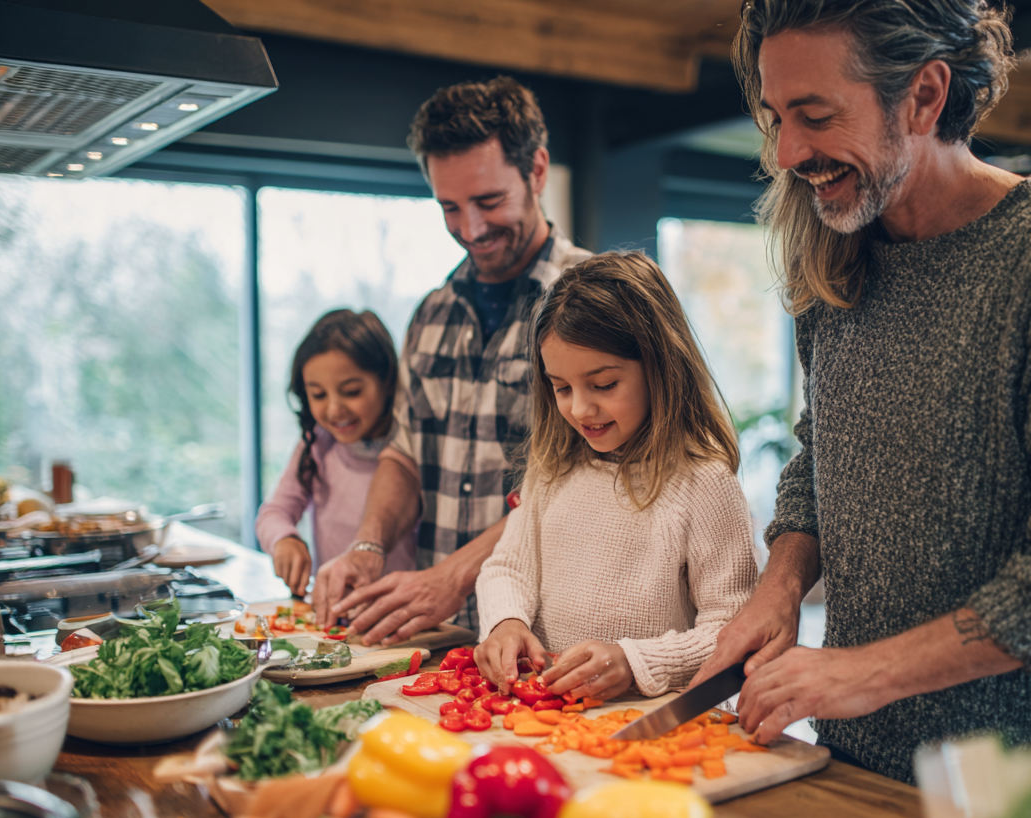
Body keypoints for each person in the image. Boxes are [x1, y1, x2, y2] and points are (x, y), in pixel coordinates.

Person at [691, 0, 1031, 782]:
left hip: (1030, 792)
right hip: (855, 765)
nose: (786, 152)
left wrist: (863, 671)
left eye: (815, 115)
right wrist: (780, 586)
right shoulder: (837, 250)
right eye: (777, 118)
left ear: (923, 96)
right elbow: (824, 455)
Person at [312, 77, 590, 642]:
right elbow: (406, 452)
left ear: (537, 171)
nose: (471, 229)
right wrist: (368, 546)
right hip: (445, 633)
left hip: (554, 634)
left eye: (488, 201)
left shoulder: (598, 298)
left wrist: (457, 575)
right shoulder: (432, 313)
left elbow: (590, 482)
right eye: (449, 208)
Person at [473, 252, 759, 701]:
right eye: (561, 387)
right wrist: (506, 621)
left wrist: (636, 661)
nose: (580, 409)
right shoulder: (553, 469)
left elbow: (731, 629)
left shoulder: (704, 483)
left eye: (604, 385)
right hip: (548, 716)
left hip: (649, 724)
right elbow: (508, 567)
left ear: (660, 366)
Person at [256, 310, 415, 597]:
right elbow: (273, 512)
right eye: (318, 395)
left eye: (351, 391)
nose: (334, 409)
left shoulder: (412, 446)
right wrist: (284, 539)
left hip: (402, 612)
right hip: (333, 611)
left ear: (387, 381)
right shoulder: (317, 444)